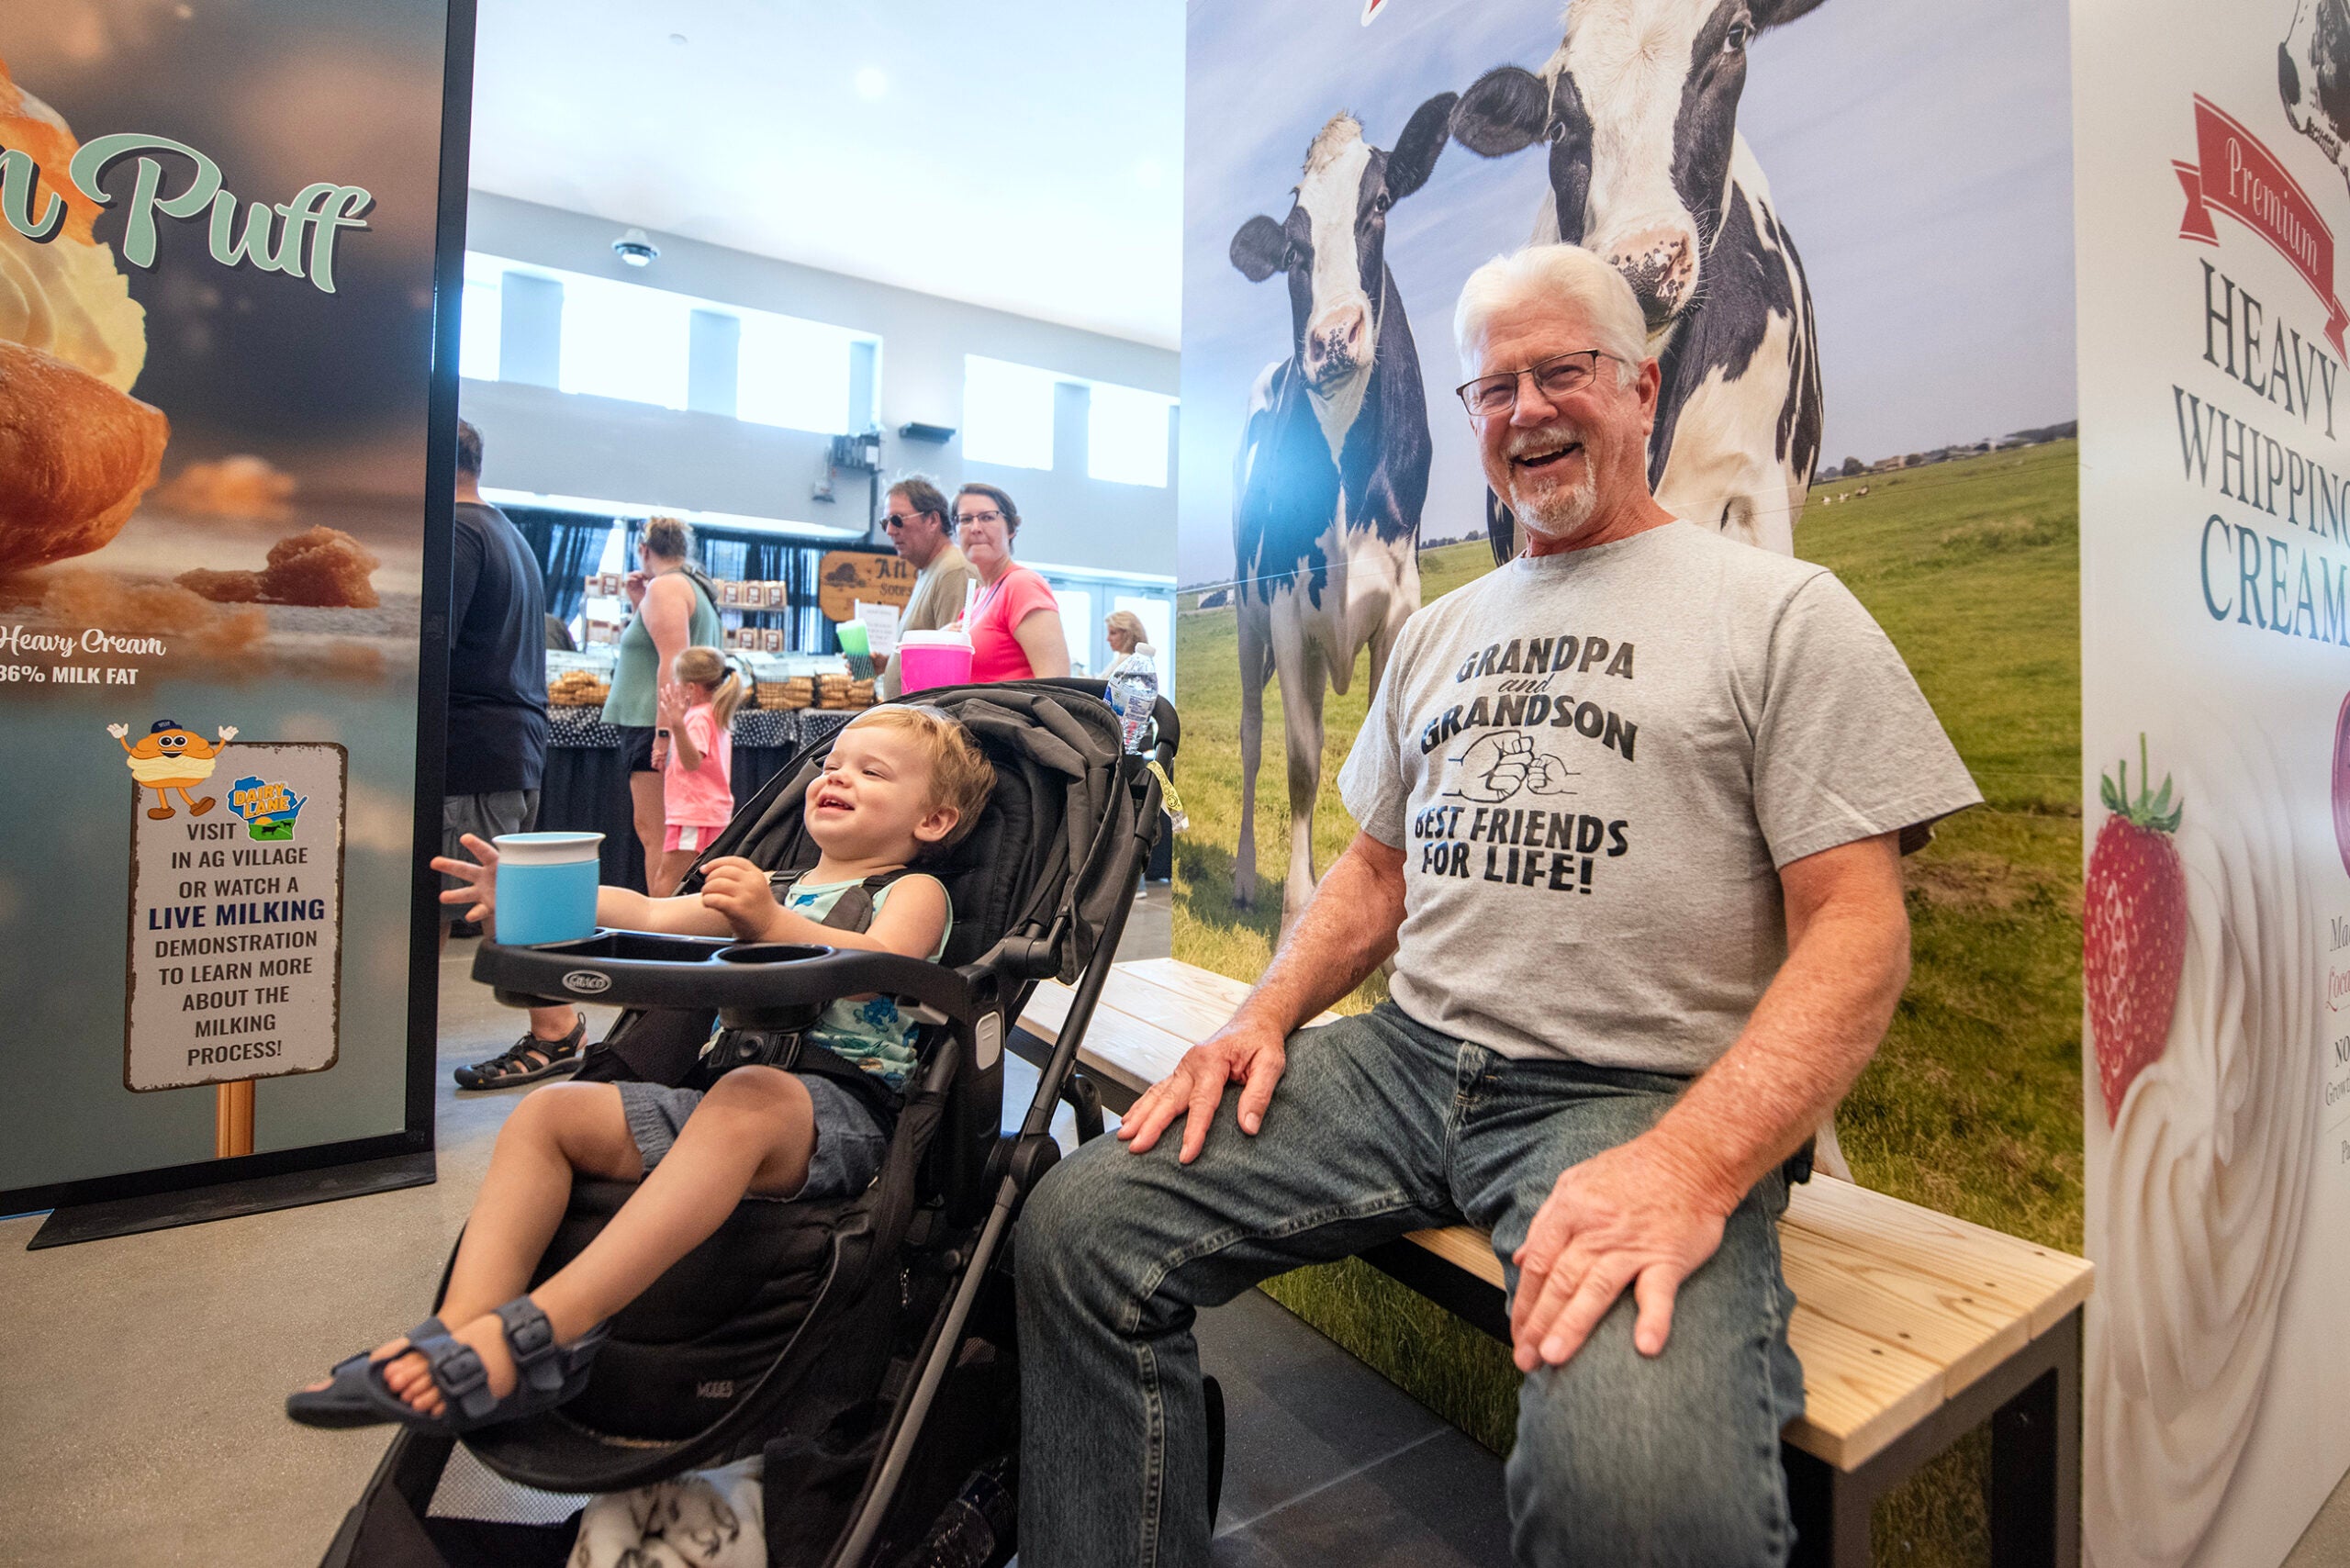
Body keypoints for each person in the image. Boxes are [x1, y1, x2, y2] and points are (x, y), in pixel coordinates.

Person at [1014, 243, 1982, 1568]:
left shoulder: (1783, 613)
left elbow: (1860, 931)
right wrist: (1262, 1018)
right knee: (1080, 1231)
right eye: (1494, 388)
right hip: (1406, 1066)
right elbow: (1374, 874)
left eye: (1563, 372)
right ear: (1467, 419)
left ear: (1642, 390)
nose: (1527, 409)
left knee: (1642, 1495)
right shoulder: (1439, 631)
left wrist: (1695, 1164)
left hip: (1636, 1099)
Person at [293, 705, 995, 1431]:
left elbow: (882, 970)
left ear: (934, 822)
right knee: (549, 1113)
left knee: (751, 1091)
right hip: (729, 1105)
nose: (837, 777)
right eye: (833, 764)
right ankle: (464, 1327)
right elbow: (649, 915)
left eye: (871, 771)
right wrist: (536, 894)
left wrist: (769, 924)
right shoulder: (774, 885)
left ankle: (547, 1330)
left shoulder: (910, 891)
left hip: (841, 1114)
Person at [442, 420, 569, 1087]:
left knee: (496, 901)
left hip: (474, 749)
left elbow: (434, 650)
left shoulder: (462, 533)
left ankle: (558, 1030)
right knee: (470, 897)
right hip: (504, 745)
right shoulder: (505, 530)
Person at [601, 516, 724, 890]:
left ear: (644, 550)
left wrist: (663, 733)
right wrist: (641, 603)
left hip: (653, 722)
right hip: (670, 721)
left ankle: (660, 927)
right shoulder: (688, 587)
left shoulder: (667, 587)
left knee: (657, 834)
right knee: (668, 835)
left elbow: (674, 664)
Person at [876, 476, 978, 701]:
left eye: (897, 519)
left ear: (933, 520)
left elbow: (950, 673)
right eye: (886, 522)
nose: (890, 531)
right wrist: (890, 663)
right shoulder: (930, 570)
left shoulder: (953, 570)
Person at [953, 483, 1069, 681]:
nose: (975, 528)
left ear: (1011, 528)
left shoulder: (1022, 585)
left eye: (987, 517)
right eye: (965, 520)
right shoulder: (977, 597)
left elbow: (1057, 682)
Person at [653, 646, 744, 897]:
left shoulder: (697, 718)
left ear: (691, 687)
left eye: (679, 682)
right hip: (708, 812)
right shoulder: (714, 714)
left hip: (693, 814)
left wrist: (677, 723)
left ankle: (656, 932)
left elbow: (693, 762)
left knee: (668, 878)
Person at [1103, 610, 1147, 675]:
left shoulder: (1125, 660)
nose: (1108, 639)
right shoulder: (1137, 661)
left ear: (1128, 635)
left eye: (1113, 633)